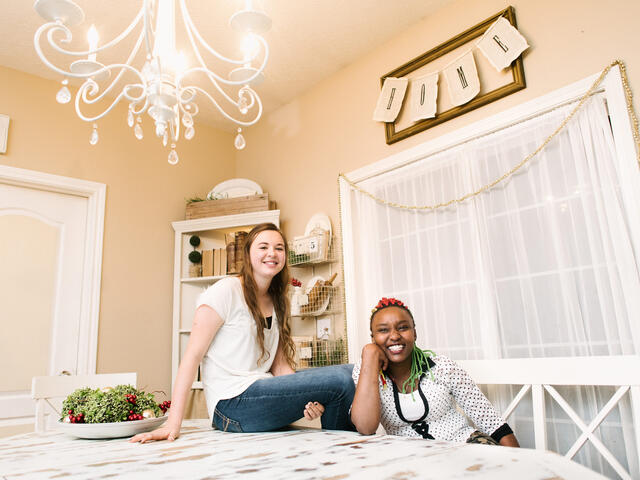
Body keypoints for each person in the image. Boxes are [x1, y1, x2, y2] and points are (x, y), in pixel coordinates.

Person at [131, 223, 354, 443]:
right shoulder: (226, 291)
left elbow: (279, 366)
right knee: (341, 378)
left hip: (260, 394)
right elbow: (192, 358)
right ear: (248, 254)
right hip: (231, 406)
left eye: (279, 248)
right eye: (263, 247)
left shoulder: (278, 300)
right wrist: (172, 423)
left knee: (350, 374)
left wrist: (306, 397)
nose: (272, 253)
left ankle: (338, 458)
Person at [350, 297, 519, 447]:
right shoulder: (367, 370)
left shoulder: (442, 367)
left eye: (403, 328)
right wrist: (370, 354)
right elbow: (365, 427)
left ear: (414, 333)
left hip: (464, 445)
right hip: (411, 458)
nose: (394, 336)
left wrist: (519, 462)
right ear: (373, 338)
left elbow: (490, 420)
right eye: (383, 330)